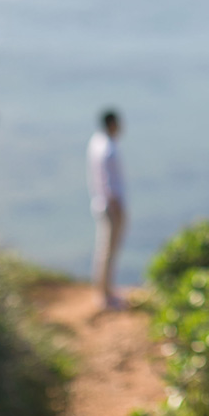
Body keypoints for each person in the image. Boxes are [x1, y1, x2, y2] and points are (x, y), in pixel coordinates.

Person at [87, 108, 127, 310]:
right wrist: (118, 207)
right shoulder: (108, 149)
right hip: (111, 205)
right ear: (112, 124)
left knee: (104, 248)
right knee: (109, 250)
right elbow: (110, 183)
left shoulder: (96, 142)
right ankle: (105, 294)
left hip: (100, 202)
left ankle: (104, 290)